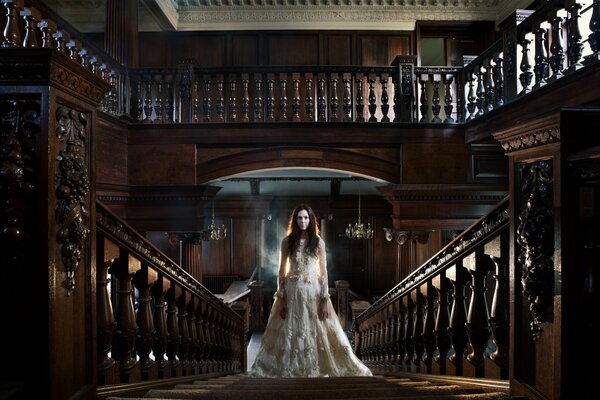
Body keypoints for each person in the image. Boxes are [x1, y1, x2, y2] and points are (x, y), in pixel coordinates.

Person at [250, 204, 372, 377]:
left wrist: (324, 299)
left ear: (311, 220)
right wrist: (282, 297)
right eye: (299, 218)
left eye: (306, 217)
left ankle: (315, 365)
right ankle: (290, 366)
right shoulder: (287, 242)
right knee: (291, 332)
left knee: (318, 331)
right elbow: (281, 271)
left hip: (313, 294)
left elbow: (323, 273)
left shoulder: (318, 242)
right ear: (295, 220)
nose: (303, 221)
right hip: (292, 293)